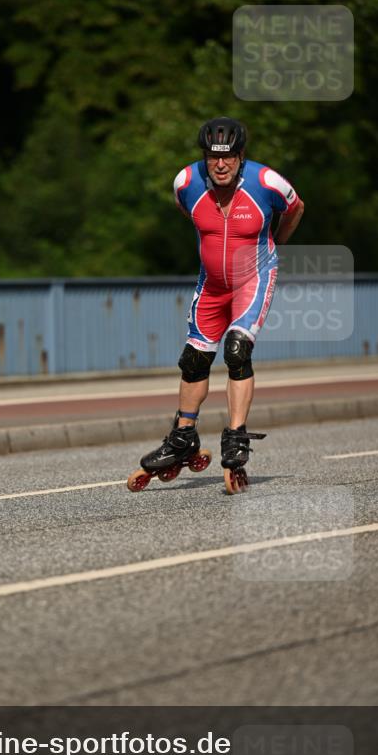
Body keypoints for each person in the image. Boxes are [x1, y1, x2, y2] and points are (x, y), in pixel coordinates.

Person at [140, 116, 305, 482]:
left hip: (253, 279)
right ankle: (183, 437)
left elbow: (296, 208)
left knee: (236, 351)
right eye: (213, 156)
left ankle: (235, 436)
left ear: (240, 155)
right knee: (193, 360)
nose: (220, 164)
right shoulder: (186, 183)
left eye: (228, 156)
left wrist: (277, 241)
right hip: (212, 284)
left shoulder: (267, 182)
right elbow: (189, 213)